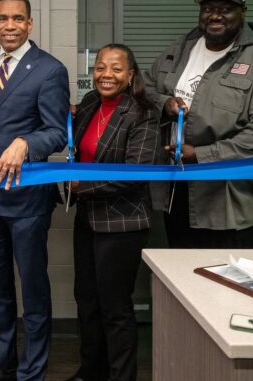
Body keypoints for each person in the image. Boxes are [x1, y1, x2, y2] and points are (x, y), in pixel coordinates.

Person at [0, 0, 69, 381]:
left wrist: (25, 143)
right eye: (3, 18)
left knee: (33, 292)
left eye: (18, 18)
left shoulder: (50, 70)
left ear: (30, 24)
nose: (10, 26)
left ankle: (31, 373)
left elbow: (57, 132)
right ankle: (2, 365)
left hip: (26, 199)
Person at [144, 0, 253, 249]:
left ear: (243, 12)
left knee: (225, 271)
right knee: (179, 269)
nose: (214, 16)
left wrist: (201, 155)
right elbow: (147, 86)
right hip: (178, 188)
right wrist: (165, 102)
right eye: (207, 9)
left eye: (225, 9)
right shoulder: (182, 47)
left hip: (229, 199)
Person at [67, 44, 160, 381]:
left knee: (115, 307)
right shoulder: (89, 103)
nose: (106, 75)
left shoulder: (143, 113)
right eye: (100, 67)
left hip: (123, 223)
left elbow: (135, 175)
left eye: (116, 69)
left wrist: (80, 186)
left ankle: (121, 376)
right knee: (86, 301)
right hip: (87, 219)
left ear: (130, 75)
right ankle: (91, 371)